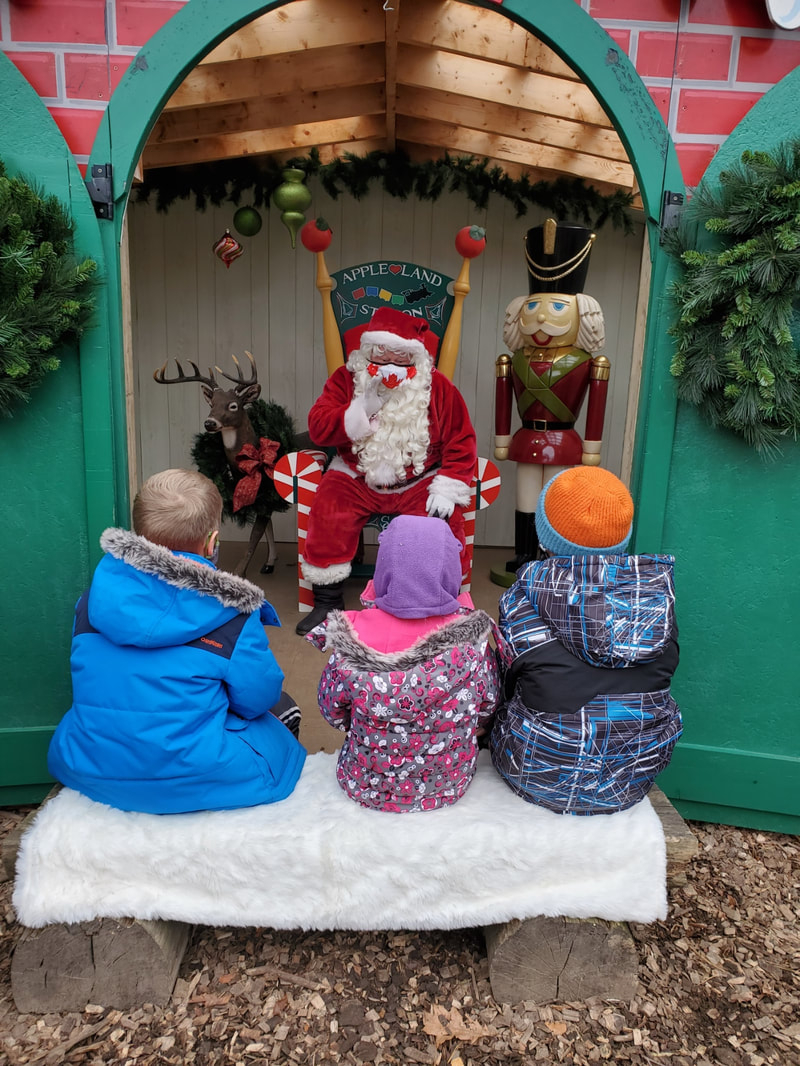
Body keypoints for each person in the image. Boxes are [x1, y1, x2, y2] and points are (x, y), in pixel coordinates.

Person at [47, 468, 306, 815]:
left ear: (138, 535)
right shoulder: (233, 614)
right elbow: (257, 700)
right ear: (212, 543)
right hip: (196, 774)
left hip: (92, 766)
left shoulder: (93, 600)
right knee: (283, 707)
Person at [490, 465, 682, 815]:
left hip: (535, 772)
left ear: (543, 536)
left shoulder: (519, 599)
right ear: (622, 538)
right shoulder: (657, 598)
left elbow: (506, 684)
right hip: (630, 780)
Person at [296, 305, 477, 634]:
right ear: (368, 351)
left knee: (440, 523)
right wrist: (357, 412)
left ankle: (440, 601)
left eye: (403, 355)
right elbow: (318, 427)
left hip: (418, 479)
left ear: (416, 358)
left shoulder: (438, 388)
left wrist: (448, 485)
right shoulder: (346, 379)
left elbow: (462, 440)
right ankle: (327, 603)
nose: (391, 363)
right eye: (382, 353)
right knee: (329, 510)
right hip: (356, 476)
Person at [305, 515, 500, 813]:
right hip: (447, 784)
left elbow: (332, 710)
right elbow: (487, 708)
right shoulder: (473, 643)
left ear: (384, 570)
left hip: (364, 785)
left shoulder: (351, 638)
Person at [492, 219, 610, 586]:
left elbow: (596, 406)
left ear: (581, 313)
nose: (542, 316)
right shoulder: (514, 361)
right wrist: (502, 438)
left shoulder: (590, 363)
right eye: (534, 307)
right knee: (525, 498)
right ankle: (524, 554)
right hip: (527, 438)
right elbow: (504, 397)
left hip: (564, 441)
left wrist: (592, 446)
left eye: (557, 307)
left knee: (555, 499)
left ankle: (550, 557)